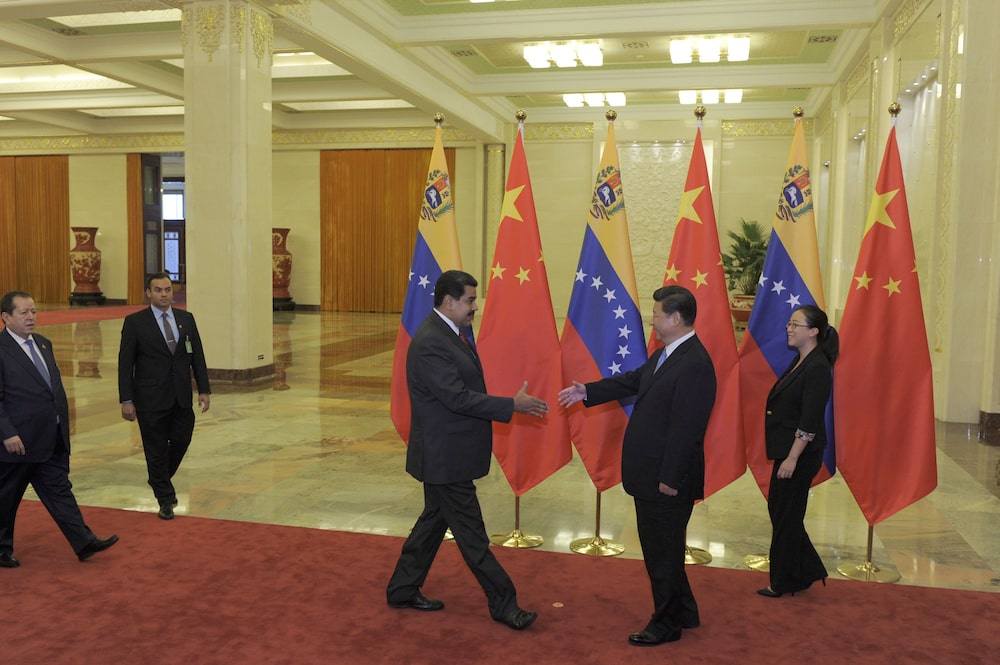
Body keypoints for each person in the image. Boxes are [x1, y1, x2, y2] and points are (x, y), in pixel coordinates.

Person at [386, 270, 547, 631]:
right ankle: (505, 604)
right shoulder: (431, 341)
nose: (475, 307)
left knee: (432, 523)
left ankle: (401, 588)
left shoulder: (450, 333)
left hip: (449, 453)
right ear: (449, 301)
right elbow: (456, 397)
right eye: (471, 300)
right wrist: (511, 406)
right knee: (473, 537)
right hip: (445, 459)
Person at [558, 285, 716, 647]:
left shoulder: (695, 363)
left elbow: (687, 429)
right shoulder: (669, 354)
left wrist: (670, 479)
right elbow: (635, 380)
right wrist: (589, 391)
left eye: (657, 314)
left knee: (661, 553)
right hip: (651, 474)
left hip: (666, 481)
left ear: (676, 319)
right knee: (666, 548)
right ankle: (685, 611)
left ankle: (666, 625)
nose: (652, 320)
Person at [0, 291, 119, 567]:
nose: (31, 317)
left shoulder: (43, 344)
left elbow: (51, 390)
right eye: (24, 313)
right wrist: (6, 432)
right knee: (6, 497)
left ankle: (83, 540)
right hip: (17, 440)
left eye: (34, 312)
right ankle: (1, 548)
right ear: (6, 318)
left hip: (49, 436)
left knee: (58, 490)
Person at [757, 304, 837, 598]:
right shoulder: (802, 360)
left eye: (795, 325)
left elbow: (810, 419)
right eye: (789, 324)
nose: (789, 329)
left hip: (800, 454)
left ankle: (783, 580)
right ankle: (806, 570)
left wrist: (792, 457)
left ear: (814, 332)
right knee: (781, 511)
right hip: (788, 450)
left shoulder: (817, 367)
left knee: (786, 514)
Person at [118, 272, 211, 520]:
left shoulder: (186, 319)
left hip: (180, 396)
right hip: (150, 398)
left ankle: (157, 477)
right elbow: (125, 364)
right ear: (148, 293)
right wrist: (126, 399)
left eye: (167, 289)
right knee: (155, 449)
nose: (164, 294)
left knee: (181, 440)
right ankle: (165, 499)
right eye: (158, 290)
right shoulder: (135, 322)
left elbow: (197, 356)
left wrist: (204, 389)